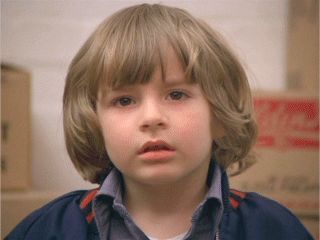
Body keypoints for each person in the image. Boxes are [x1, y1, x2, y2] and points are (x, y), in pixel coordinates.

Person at [6, 3, 313, 240]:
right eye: (124, 100)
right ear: (94, 124)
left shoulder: (273, 228)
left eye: (177, 95)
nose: (152, 117)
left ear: (219, 114)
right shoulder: (48, 230)